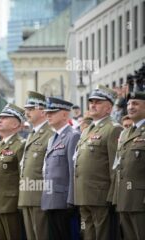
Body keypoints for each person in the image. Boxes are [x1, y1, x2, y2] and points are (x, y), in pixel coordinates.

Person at [74, 85, 123, 240]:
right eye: (91, 102)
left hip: (101, 196)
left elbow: (115, 167)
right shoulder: (87, 130)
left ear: (108, 108)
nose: (93, 105)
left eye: (98, 102)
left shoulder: (113, 129)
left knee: (102, 235)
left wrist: (113, 196)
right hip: (83, 195)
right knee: (87, 234)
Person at [42, 97, 81, 239]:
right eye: (47, 112)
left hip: (64, 202)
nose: (48, 115)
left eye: (52, 112)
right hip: (51, 200)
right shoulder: (52, 138)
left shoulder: (73, 136)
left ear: (65, 114)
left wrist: (72, 200)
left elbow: (73, 170)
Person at [18, 91, 53, 240]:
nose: (27, 112)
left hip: (40, 195)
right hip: (27, 194)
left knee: (42, 235)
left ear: (43, 111)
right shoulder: (32, 134)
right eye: (26, 109)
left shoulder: (50, 133)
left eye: (31, 109)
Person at [0, 103, 26, 240]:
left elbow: (24, 178)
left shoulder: (21, 145)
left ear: (16, 124)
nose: (0, 119)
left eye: (5, 117)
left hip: (12, 205)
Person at [113, 91, 145, 239]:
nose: (131, 107)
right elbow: (118, 166)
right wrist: (116, 197)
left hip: (141, 199)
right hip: (124, 198)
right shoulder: (125, 133)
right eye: (129, 104)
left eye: (136, 103)